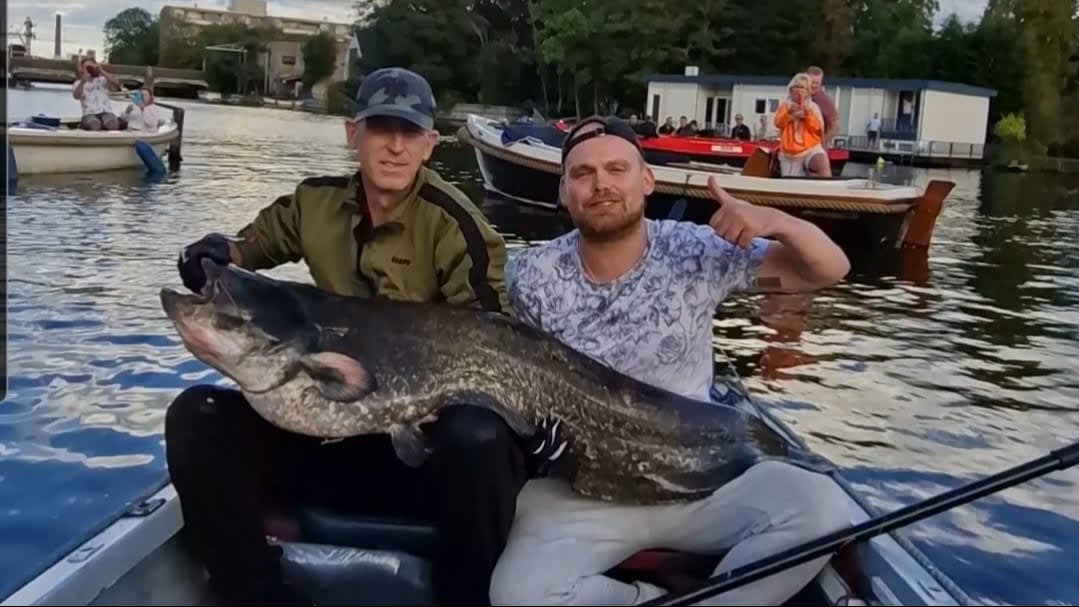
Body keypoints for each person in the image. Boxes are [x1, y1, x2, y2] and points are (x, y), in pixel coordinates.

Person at [165, 67, 535, 606]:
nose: (394, 147)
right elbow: (246, 247)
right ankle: (257, 593)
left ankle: (464, 595)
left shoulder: (460, 227)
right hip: (327, 424)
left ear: (430, 144)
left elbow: (490, 344)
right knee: (195, 417)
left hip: (419, 452)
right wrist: (211, 256)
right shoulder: (312, 203)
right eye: (381, 128)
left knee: (479, 437)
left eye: (409, 133)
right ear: (352, 134)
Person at [489, 115, 852, 606]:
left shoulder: (694, 249)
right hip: (583, 490)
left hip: (701, 476)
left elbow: (828, 269)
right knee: (518, 597)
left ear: (647, 181)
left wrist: (776, 221)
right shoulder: (527, 275)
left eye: (617, 169)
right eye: (583, 174)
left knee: (824, 509)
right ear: (563, 192)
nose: (601, 185)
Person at [774, 73, 831, 177]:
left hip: (811, 147)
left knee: (822, 163)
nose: (799, 90)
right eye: (796, 87)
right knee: (790, 183)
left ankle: (827, 190)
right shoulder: (785, 106)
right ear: (791, 89)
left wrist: (806, 114)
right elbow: (778, 123)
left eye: (802, 87)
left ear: (808, 91)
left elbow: (818, 128)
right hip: (790, 153)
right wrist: (790, 115)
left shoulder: (813, 107)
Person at [72, 56, 122, 131]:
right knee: (94, 124)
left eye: (91, 67)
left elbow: (117, 86)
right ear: (83, 69)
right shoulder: (78, 83)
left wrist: (101, 71)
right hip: (89, 114)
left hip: (106, 112)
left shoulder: (103, 80)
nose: (90, 70)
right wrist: (83, 82)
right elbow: (76, 96)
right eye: (87, 68)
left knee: (112, 123)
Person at [806, 66, 839, 147]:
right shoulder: (800, 97)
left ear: (821, 83)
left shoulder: (825, 101)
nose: (813, 85)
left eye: (816, 83)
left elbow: (835, 126)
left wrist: (822, 143)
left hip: (814, 147)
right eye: (811, 82)